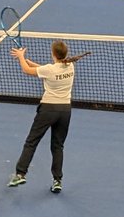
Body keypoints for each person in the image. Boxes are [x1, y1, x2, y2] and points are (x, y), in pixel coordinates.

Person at [7, 41, 88, 194]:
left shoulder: (50, 69)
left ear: (53, 54)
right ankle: (57, 180)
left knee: (31, 142)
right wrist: (26, 59)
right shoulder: (70, 66)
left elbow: (27, 70)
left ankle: (20, 174)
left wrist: (20, 57)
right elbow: (42, 70)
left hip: (48, 110)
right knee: (58, 146)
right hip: (65, 111)